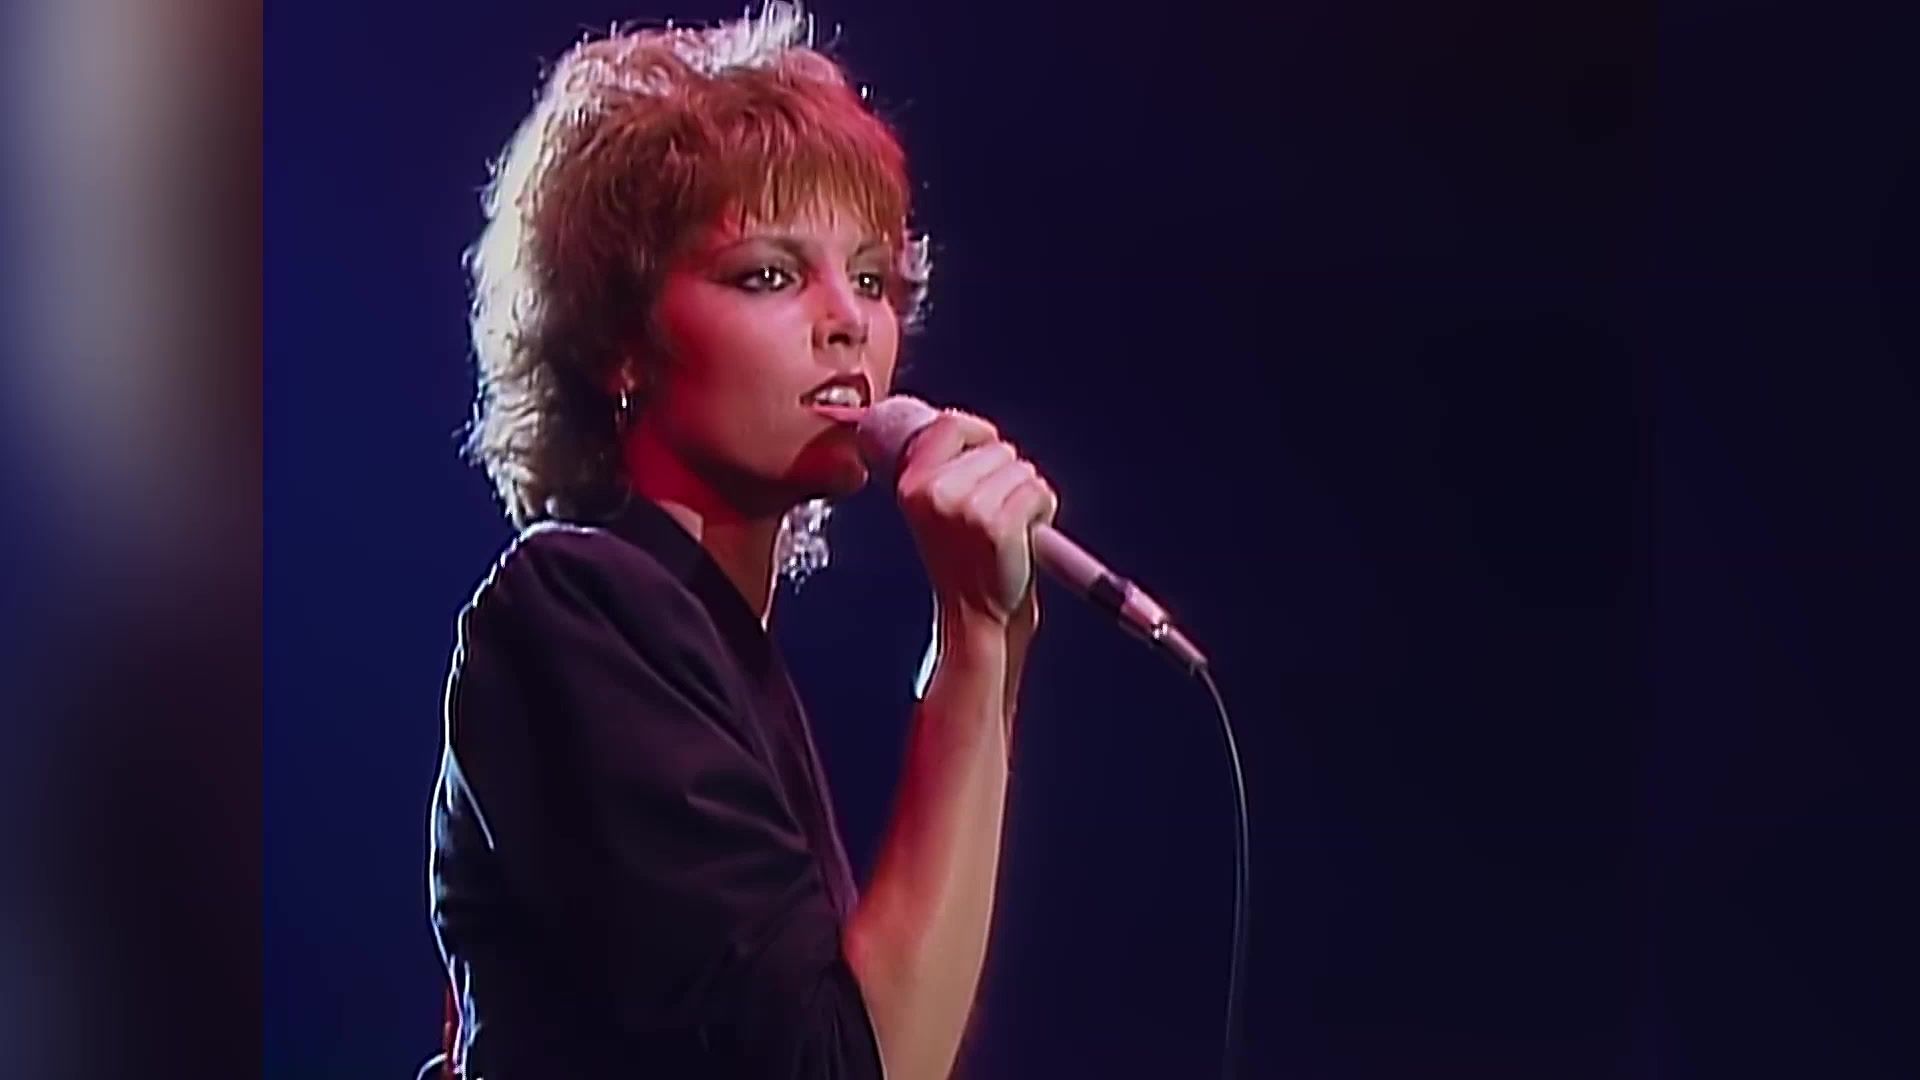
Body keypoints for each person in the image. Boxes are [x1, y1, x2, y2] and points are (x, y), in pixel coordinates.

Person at [427, 4, 1057, 1077]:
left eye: (871, 278)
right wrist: (969, 643)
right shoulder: (580, 604)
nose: (848, 319)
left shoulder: (725, 658)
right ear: (622, 341)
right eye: (769, 274)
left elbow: (912, 1030)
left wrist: (993, 651)